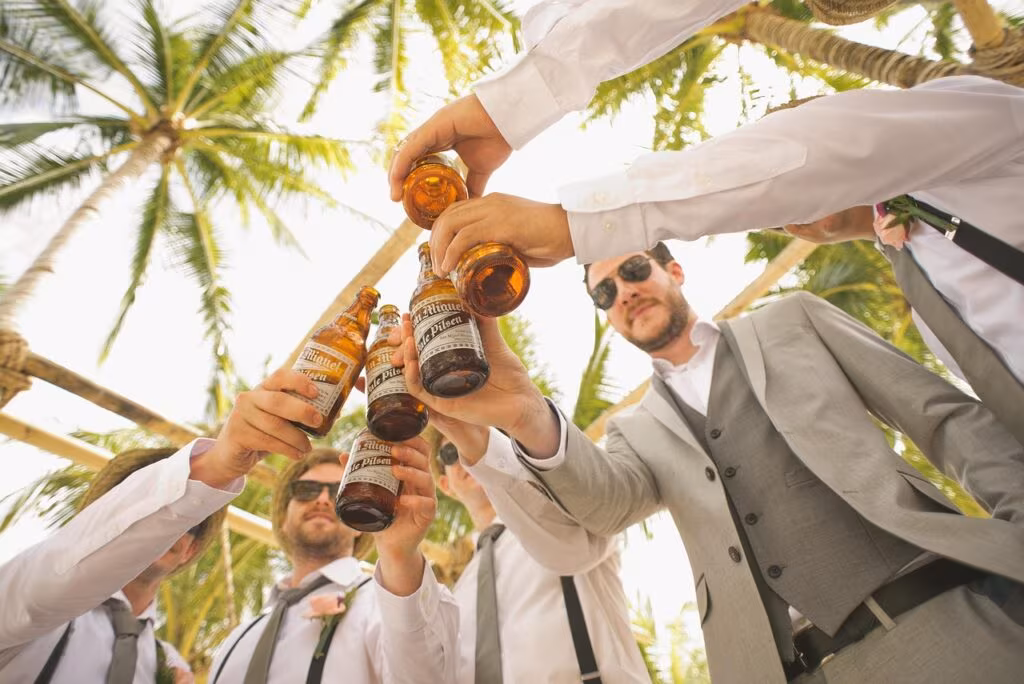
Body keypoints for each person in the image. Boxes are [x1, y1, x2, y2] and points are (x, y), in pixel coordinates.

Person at [387, 0, 1024, 442]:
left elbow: (821, 149)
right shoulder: (917, 265)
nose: (784, 210)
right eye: (604, 289)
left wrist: (574, 222)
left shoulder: (978, 124)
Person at [389, 243, 1024, 683]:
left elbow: (941, 418)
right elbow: (604, 506)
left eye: (634, 269)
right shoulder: (635, 430)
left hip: (937, 623)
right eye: (604, 292)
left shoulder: (792, 319)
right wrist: (525, 411)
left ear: (675, 269)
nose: (624, 292)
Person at [0, 364, 326, 683]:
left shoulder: (170, 665)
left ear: (191, 550)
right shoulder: (26, 613)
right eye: (154, 511)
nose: (170, 529)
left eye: (191, 522)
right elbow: (53, 574)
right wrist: (212, 467)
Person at [208, 427, 458, 683]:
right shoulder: (236, 640)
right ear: (282, 517)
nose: (322, 500)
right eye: (306, 490)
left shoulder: (390, 605)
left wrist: (400, 556)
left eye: (338, 493)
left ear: (358, 525)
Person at [426, 426, 649, 683]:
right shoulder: (459, 590)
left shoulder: (564, 515)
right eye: (452, 451)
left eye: (480, 432)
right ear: (445, 486)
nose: (466, 449)